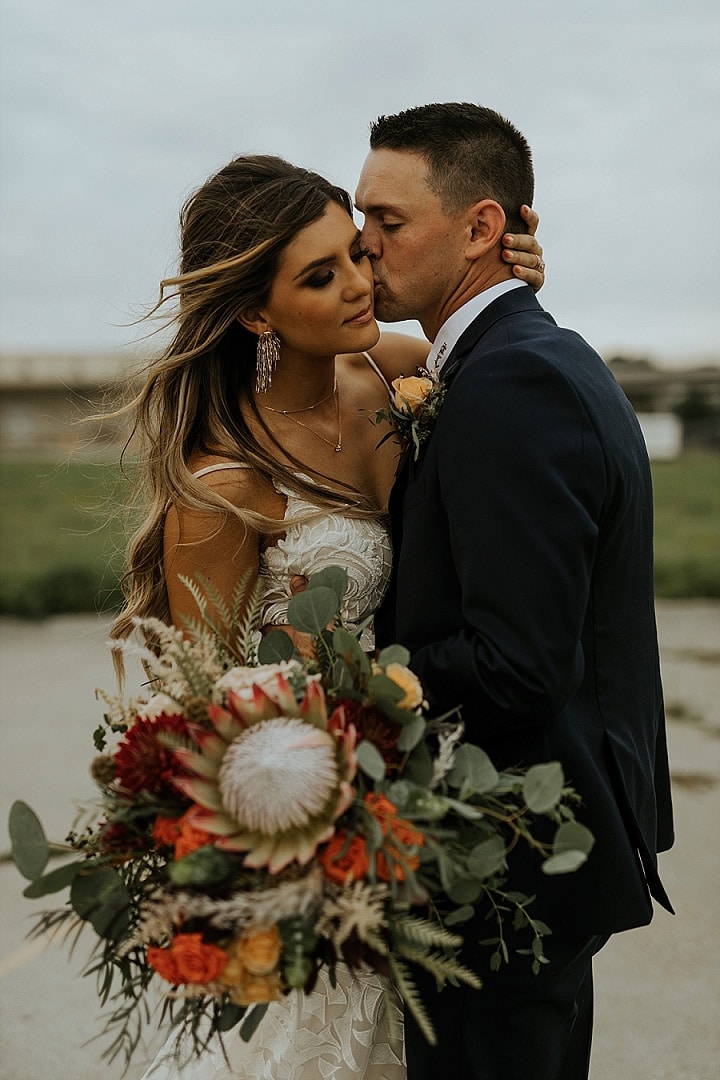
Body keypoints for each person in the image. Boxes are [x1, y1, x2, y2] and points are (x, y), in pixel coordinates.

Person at [110, 153, 545, 1079]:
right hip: (314, 847)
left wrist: (511, 280)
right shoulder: (224, 486)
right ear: (255, 313)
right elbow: (199, 714)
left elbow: (490, 356)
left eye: (355, 252)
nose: (360, 283)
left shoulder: (383, 370)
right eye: (320, 275)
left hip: (423, 809)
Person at [355, 102, 675, 1080]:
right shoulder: (530, 357)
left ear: (484, 226)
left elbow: (518, 667)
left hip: (506, 865)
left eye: (389, 221)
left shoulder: (511, 387)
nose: (364, 245)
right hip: (536, 844)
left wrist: (350, 689)